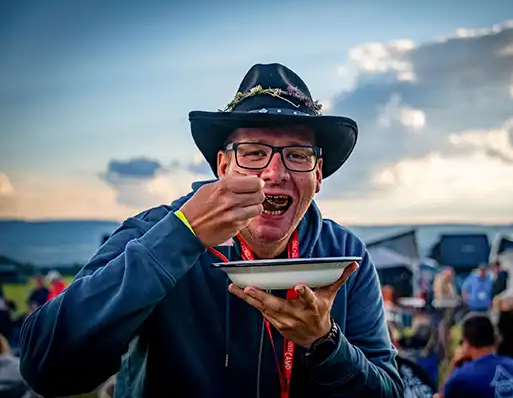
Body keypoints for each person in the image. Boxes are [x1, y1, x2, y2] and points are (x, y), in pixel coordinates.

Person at [19, 63, 403, 397]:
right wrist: (181, 236)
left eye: (298, 155)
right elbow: (45, 367)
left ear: (317, 175)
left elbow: (388, 390)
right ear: (223, 166)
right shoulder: (152, 232)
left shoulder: (343, 254)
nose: (274, 171)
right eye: (253, 152)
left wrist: (325, 344)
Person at [441, 314, 513, 398]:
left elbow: (443, 394)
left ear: (466, 343)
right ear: (495, 340)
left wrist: (454, 365)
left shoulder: (461, 378)